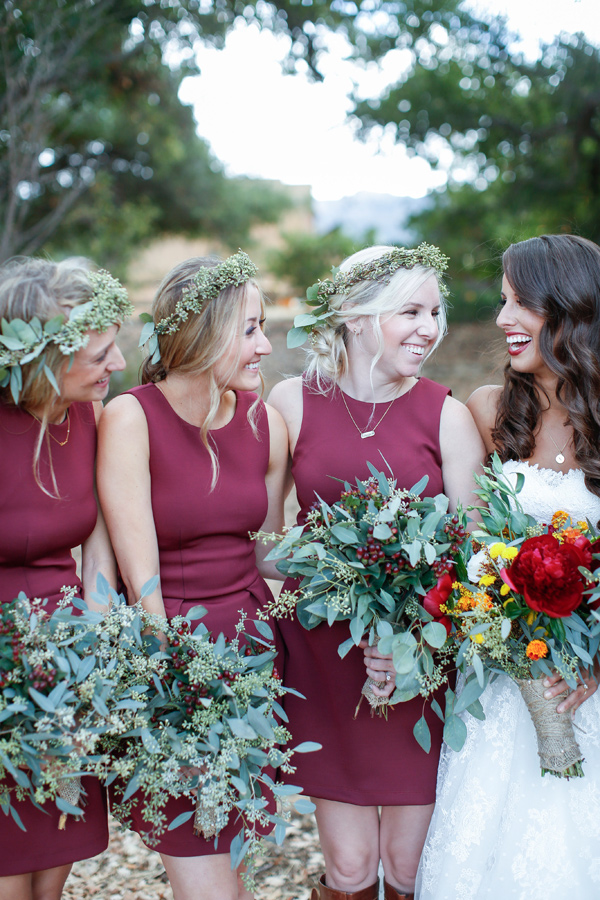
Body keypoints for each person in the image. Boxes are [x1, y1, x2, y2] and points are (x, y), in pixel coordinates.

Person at [267, 244, 485, 900]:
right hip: (325, 659)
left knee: (411, 869)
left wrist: (409, 634)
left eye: (436, 313)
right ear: (359, 317)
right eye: (410, 311)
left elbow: (473, 552)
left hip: (420, 662)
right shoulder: (291, 400)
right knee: (352, 869)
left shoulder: (446, 413)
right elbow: (267, 540)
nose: (429, 327)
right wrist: (333, 569)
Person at [97, 251, 288, 900]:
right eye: (252, 329)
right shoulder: (132, 417)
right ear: (205, 337)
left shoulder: (266, 423)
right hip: (175, 665)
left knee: (234, 857)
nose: (266, 345)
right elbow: (137, 573)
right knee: (201, 868)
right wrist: (173, 684)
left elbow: (271, 555)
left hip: (254, 661)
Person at [416, 233, 600, 900]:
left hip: (586, 692)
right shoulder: (490, 412)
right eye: (502, 301)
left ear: (571, 307)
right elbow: (470, 551)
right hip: (501, 692)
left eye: (520, 301)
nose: (501, 319)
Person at [0, 257, 130, 900]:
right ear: (46, 356)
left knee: (51, 871)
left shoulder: (94, 419)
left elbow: (100, 553)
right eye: (102, 353)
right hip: (2, 671)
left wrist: (99, 659)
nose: (120, 365)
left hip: (67, 668)